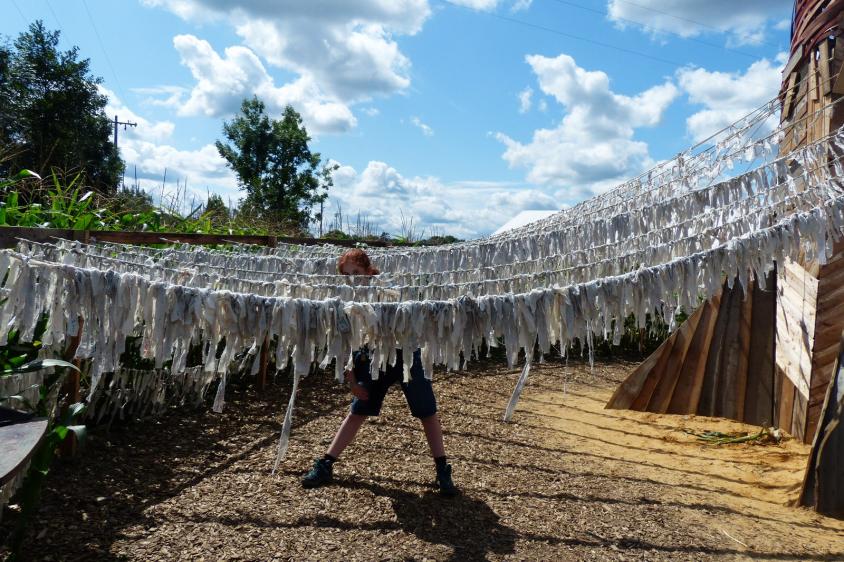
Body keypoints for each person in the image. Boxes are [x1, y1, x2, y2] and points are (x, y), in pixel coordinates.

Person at [302, 248, 458, 496]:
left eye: (357, 272)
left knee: (427, 412)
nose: (353, 279)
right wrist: (352, 378)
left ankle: (442, 470)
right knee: (357, 411)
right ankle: (326, 464)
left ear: (368, 270)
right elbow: (346, 342)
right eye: (347, 275)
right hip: (371, 359)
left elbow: (413, 322)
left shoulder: (390, 291)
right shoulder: (347, 303)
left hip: (407, 355)